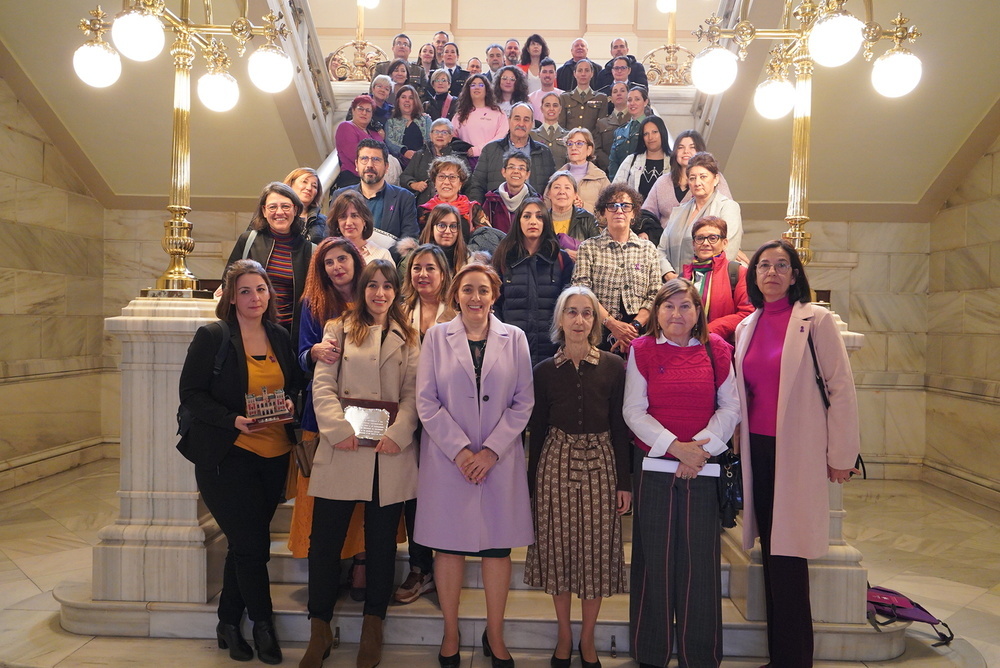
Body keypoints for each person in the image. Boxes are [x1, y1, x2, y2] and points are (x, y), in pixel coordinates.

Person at [734, 239, 861, 668]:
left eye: (781, 265)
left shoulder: (815, 319)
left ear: (794, 274)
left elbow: (840, 388)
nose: (771, 272)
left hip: (798, 451)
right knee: (771, 553)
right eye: (763, 266)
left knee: (788, 558)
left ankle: (794, 659)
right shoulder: (746, 326)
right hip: (758, 451)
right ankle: (781, 656)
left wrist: (841, 454)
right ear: (753, 276)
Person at [178, 259, 302, 666]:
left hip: (273, 457)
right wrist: (232, 420)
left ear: (270, 294)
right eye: (245, 291)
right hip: (226, 457)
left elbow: (294, 388)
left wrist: (288, 403)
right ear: (232, 297)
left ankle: (228, 622)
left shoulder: (280, 336)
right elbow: (192, 394)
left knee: (244, 546)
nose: (254, 297)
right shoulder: (213, 336)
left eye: (260, 290)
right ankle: (262, 625)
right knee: (253, 546)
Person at [414, 263, 535, 668]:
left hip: (497, 462)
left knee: (497, 551)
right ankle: (451, 632)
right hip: (450, 462)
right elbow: (426, 401)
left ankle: (495, 634)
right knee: (447, 549)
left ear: (494, 295)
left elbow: (523, 402)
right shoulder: (436, 337)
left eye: (483, 290)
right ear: (456, 295)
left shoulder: (514, 338)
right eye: (467, 289)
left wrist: (491, 452)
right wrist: (462, 451)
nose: (476, 297)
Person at [301, 259, 421, 668]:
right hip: (344, 448)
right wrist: (337, 430)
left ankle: (374, 624)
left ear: (396, 292)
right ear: (362, 289)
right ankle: (319, 627)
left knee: (382, 546)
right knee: (325, 544)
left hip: (388, 453)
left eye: (388, 287)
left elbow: (412, 394)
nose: (380, 293)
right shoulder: (337, 328)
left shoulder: (408, 336)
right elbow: (323, 386)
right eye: (373, 286)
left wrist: (398, 434)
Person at [623, 278, 740, 668]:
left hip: (701, 471)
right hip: (655, 467)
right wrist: (677, 447)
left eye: (685, 306)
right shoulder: (641, 350)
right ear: (657, 311)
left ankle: (700, 655)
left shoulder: (717, 350)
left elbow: (730, 408)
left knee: (699, 563)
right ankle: (651, 651)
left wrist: (698, 451)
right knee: (653, 558)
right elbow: (633, 411)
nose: (677, 314)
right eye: (669, 306)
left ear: (697, 313)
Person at [525, 285, 630, 668]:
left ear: (596, 320)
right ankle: (564, 635)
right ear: (560, 319)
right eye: (572, 312)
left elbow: (620, 427)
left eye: (587, 312)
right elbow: (536, 431)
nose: (580, 320)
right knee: (559, 550)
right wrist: (530, 484)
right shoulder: (543, 371)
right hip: (555, 462)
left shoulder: (614, 367)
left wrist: (624, 483)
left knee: (596, 552)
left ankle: (587, 638)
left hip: (601, 461)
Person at [286, 240, 369, 596]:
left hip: (367, 414)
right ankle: (327, 565)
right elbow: (299, 356)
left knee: (364, 495)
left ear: (355, 260)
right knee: (322, 500)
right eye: (329, 262)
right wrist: (313, 351)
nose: (337, 266)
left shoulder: (373, 296)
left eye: (343, 259)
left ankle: (363, 566)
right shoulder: (313, 303)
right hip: (322, 416)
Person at [392, 244, 456, 606]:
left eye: (430, 268)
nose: (422, 274)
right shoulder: (399, 311)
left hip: (448, 416)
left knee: (443, 492)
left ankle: (448, 563)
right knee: (414, 494)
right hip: (408, 411)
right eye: (417, 268)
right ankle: (420, 567)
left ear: (443, 273)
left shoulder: (459, 312)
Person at [571, 182, 659, 353]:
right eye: (612, 206)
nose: (619, 210)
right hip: (598, 329)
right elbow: (582, 291)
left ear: (633, 213)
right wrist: (612, 325)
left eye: (625, 206)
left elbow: (655, 294)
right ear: (604, 212)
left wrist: (633, 327)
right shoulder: (589, 247)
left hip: (638, 331)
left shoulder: (648, 249)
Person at [226, 182, 313, 344]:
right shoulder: (248, 241)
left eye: (286, 206)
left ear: (295, 210)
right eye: (272, 207)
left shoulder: (309, 250)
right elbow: (229, 285)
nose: (279, 212)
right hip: (248, 332)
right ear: (264, 211)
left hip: (291, 337)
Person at [493, 198, 574, 365]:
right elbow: (495, 303)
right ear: (519, 221)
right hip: (511, 348)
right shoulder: (503, 257)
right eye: (527, 216)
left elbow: (567, 306)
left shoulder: (560, 258)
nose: (533, 222)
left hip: (552, 350)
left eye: (539, 216)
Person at [657, 151, 743, 279]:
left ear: (716, 179)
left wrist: (696, 281)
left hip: (709, 284)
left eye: (703, 177)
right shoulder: (679, 211)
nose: (697, 182)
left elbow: (727, 251)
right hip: (674, 285)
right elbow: (661, 250)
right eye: (692, 178)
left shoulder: (727, 207)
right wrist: (669, 275)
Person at [332, 138, 420, 244]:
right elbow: (331, 235)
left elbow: (409, 238)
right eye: (364, 159)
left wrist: (382, 257)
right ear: (356, 164)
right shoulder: (340, 196)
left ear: (386, 166)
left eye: (376, 159)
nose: (369, 165)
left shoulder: (404, 198)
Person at [680, 217, 753, 344]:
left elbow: (747, 313)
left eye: (713, 238)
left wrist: (710, 330)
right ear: (693, 244)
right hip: (685, 346)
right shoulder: (684, 276)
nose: (705, 243)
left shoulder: (737, 272)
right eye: (700, 238)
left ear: (724, 242)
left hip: (721, 346)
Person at [642, 129, 733, 230]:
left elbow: (728, 212)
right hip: (663, 240)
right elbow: (647, 212)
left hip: (701, 240)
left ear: (700, 151)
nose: (686, 151)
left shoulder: (713, 178)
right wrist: (646, 232)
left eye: (692, 147)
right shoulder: (662, 182)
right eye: (681, 147)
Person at [468, 102, 555, 203]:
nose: (521, 124)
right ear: (509, 121)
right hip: (496, 213)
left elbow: (551, 188)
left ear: (532, 124)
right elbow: (477, 185)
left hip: (533, 215)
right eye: (517, 118)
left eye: (526, 120)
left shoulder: (544, 152)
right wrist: (478, 212)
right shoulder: (490, 149)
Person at [400, 118, 469, 206]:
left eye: (444, 132)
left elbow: (468, 185)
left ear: (450, 137)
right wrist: (413, 184)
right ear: (431, 135)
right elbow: (404, 176)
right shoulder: (419, 155)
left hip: (453, 207)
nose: (440, 135)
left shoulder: (459, 159)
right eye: (436, 132)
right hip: (424, 206)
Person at [416, 155, 491, 233]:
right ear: (434, 182)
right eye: (441, 176)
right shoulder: (424, 210)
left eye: (452, 177)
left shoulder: (473, 209)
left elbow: (488, 238)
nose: (446, 182)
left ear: (461, 183)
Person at [544, 171, 600, 259]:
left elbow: (598, 252)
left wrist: (581, 256)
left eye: (567, 188)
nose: (562, 192)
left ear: (575, 195)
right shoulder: (541, 219)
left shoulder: (587, 218)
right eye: (557, 187)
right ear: (549, 194)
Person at [613, 115, 670, 202]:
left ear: (662, 133)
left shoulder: (673, 161)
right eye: (646, 134)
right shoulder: (631, 160)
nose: (650, 137)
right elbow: (615, 190)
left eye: (654, 132)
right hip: (636, 213)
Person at [452, 73, 508, 161]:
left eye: (481, 85)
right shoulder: (459, 114)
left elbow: (501, 137)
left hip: (491, 159)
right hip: (465, 161)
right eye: (473, 85)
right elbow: (453, 137)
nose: (477, 87)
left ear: (487, 90)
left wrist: (478, 150)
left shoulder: (499, 113)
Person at [328, 190, 393, 264]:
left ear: (364, 220)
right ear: (337, 223)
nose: (349, 223)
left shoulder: (382, 256)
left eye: (354, 216)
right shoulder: (328, 254)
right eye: (343, 217)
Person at [482, 150, 539, 234]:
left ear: (527, 174)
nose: (516, 171)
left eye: (521, 168)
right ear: (503, 172)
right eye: (511, 167)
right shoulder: (491, 202)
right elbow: (484, 232)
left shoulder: (536, 202)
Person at [334, 95, 385, 188]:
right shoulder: (346, 127)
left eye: (368, 110)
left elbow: (384, 155)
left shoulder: (375, 134)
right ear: (353, 110)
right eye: (360, 109)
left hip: (376, 180)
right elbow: (355, 155)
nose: (364, 113)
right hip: (354, 179)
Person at [560, 127, 610, 214]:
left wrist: (583, 206)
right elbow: (547, 209)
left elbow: (607, 215)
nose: (573, 147)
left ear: (589, 150)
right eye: (570, 144)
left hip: (591, 226)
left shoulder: (600, 178)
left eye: (579, 143)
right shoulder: (556, 178)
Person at [385, 84, 432, 168]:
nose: (407, 100)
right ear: (398, 100)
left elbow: (430, 140)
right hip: (399, 164)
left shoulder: (426, 119)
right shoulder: (391, 122)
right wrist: (404, 151)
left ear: (415, 101)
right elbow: (389, 142)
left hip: (423, 163)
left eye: (411, 98)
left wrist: (419, 155)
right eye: (403, 97)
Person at [418, 202, 472, 275]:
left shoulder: (469, 261)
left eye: (453, 226)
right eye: (442, 225)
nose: (448, 231)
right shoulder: (416, 258)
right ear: (431, 229)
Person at [607, 86, 648, 179]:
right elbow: (613, 161)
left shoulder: (651, 127)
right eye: (629, 100)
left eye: (637, 99)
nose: (632, 103)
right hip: (622, 182)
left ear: (645, 102)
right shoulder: (620, 131)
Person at [558, 59, 606, 134]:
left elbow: (601, 127)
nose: (583, 74)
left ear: (592, 73)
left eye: (587, 70)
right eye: (580, 70)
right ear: (574, 74)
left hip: (592, 143)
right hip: (570, 142)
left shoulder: (601, 98)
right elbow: (561, 126)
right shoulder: (565, 97)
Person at [284, 167, 327, 243]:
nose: (309, 188)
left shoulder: (324, 221)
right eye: (304, 182)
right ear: (291, 184)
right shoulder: (278, 214)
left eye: (314, 186)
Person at [593, 82, 629, 173]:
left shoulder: (635, 122)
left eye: (622, 91)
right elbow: (597, 149)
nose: (619, 94)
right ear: (611, 99)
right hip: (607, 170)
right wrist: (610, 165)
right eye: (615, 91)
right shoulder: (601, 123)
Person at [529, 92, 568, 168]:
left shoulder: (568, 136)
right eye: (547, 105)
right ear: (541, 109)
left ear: (560, 109)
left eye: (555, 105)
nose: (551, 109)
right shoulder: (531, 135)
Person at [527, 58, 563, 123]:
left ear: (555, 74)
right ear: (539, 74)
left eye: (551, 72)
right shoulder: (530, 98)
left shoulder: (563, 96)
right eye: (544, 72)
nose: (547, 75)